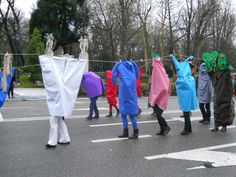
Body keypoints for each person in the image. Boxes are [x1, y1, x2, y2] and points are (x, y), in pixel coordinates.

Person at [39, 52, 87, 149]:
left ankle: (52, 142)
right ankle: (65, 138)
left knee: (53, 120)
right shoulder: (62, 79)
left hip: (59, 102)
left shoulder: (59, 80)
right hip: (60, 101)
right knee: (60, 120)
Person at [202, 50, 235, 132]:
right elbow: (212, 77)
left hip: (225, 94)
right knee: (216, 109)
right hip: (217, 93)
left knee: (224, 109)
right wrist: (208, 66)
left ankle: (224, 126)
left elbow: (231, 83)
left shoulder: (227, 69)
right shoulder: (214, 70)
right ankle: (216, 126)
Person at [112, 59, 139, 139]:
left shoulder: (119, 65)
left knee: (123, 114)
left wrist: (116, 65)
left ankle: (126, 132)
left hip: (123, 94)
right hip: (132, 94)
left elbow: (113, 77)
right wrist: (134, 64)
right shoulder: (133, 66)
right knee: (132, 116)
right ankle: (135, 132)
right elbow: (138, 75)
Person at [171, 54, 197, 135]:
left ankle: (187, 129)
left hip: (185, 97)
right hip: (187, 96)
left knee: (185, 112)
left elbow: (181, 82)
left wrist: (173, 57)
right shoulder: (190, 78)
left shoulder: (184, 79)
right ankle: (188, 128)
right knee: (186, 112)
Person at [149, 53, 171, 135]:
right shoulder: (155, 75)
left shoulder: (163, 75)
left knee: (158, 115)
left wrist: (162, 92)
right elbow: (154, 85)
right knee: (157, 115)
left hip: (162, 97)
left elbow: (166, 86)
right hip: (156, 96)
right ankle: (162, 129)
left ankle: (167, 127)